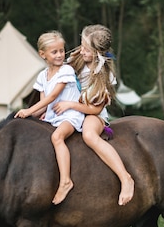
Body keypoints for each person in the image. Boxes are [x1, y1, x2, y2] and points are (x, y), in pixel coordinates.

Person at [53, 24, 135, 206]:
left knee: (89, 135)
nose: (81, 50)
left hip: (91, 113)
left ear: (97, 52)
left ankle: (125, 178)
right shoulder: (78, 58)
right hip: (72, 109)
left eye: (86, 48)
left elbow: (95, 109)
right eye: (81, 44)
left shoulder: (101, 74)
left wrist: (70, 104)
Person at [14, 30, 84, 205]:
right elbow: (44, 104)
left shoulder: (66, 70)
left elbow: (52, 97)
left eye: (61, 50)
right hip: (53, 116)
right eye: (55, 52)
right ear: (42, 54)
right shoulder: (42, 76)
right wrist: (25, 118)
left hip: (70, 115)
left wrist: (28, 111)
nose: (60, 55)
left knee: (57, 137)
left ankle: (66, 181)